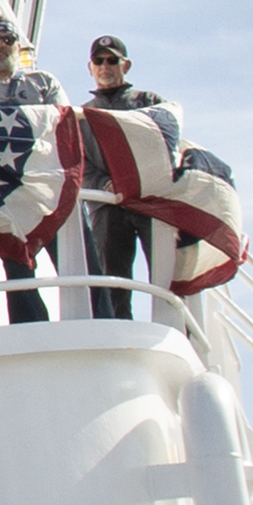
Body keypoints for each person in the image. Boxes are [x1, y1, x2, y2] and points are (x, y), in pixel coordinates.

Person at [78, 37, 183, 320]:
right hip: (106, 207)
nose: (105, 66)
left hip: (150, 202)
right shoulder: (81, 116)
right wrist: (103, 185)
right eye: (99, 61)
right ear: (90, 67)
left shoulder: (149, 103)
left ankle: (175, 331)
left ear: (126, 65)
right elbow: (79, 165)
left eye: (112, 60)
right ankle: (118, 334)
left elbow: (168, 147)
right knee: (113, 283)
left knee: (166, 276)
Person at [0, 21, 62, 324]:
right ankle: (32, 331)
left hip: (50, 190)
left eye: (7, 39)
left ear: (18, 47)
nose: (0, 45)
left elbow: (65, 131)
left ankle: (97, 325)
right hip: (7, 195)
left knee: (76, 262)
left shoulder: (43, 83)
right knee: (18, 273)